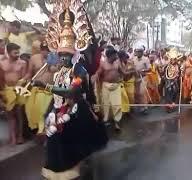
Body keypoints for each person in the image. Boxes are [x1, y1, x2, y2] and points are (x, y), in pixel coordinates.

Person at [31, 5, 107, 179]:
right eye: (61, 54)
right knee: (53, 137)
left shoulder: (79, 71)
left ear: (74, 54)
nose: (63, 57)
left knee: (71, 140)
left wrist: (46, 87)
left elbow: (72, 92)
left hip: (74, 108)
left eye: (67, 54)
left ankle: (74, 167)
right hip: (57, 108)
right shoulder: (58, 71)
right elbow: (57, 93)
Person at [93, 46, 133, 130]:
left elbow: (124, 73)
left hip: (116, 86)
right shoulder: (103, 64)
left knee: (117, 105)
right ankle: (106, 120)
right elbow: (98, 73)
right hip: (106, 86)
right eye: (114, 54)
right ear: (109, 56)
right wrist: (95, 76)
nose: (116, 56)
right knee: (106, 104)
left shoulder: (117, 63)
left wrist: (132, 71)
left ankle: (116, 122)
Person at [22, 42, 57, 134]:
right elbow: (29, 73)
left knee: (45, 112)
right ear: (40, 50)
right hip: (36, 90)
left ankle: (46, 134)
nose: (45, 52)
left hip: (50, 89)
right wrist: (23, 80)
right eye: (43, 50)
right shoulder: (34, 58)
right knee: (35, 112)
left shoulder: (56, 58)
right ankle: (40, 133)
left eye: (48, 50)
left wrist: (51, 64)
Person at [0, 43, 27, 144]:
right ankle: (12, 137)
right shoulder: (2, 63)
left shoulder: (22, 63)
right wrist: (2, 93)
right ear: (8, 52)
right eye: (15, 52)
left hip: (19, 89)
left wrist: (20, 86)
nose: (17, 54)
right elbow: (1, 79)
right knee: (10, 114)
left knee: (19, 113)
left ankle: (20, 136)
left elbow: (24, 78)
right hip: (7, 90)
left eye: (18, 52)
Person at [133, 47, 151, 114]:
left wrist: (142, 70)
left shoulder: (146, 59)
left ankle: (145, 107)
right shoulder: (134, 59)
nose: (137, 53)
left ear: (142, 52)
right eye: (137, 52)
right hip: (136, 78)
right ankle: (141, 106)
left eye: (139, 52)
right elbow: (132, 67)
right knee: (137, 93)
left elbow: (149, 69)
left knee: (142, 92)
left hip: (143, 77)